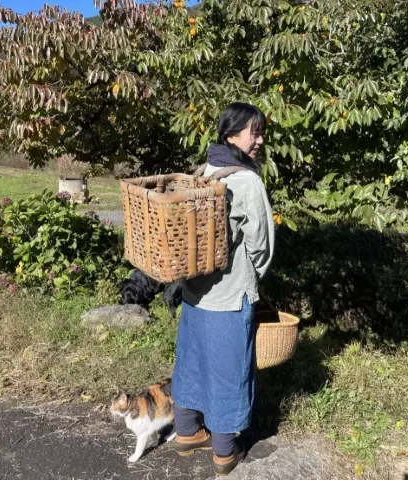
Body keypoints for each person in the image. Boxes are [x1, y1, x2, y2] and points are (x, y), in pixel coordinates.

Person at [171, 102, 275, 476]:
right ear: (232, 135)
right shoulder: (247, 182)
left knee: (191, 361)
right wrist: (250, 278)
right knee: (228, 370)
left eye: (261, 133)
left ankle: (186, 433)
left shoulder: (204, 172)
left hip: (194, 291)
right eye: (254, 133)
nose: (259, 140)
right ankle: (224, 453)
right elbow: (261, 246)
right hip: (229, 296)